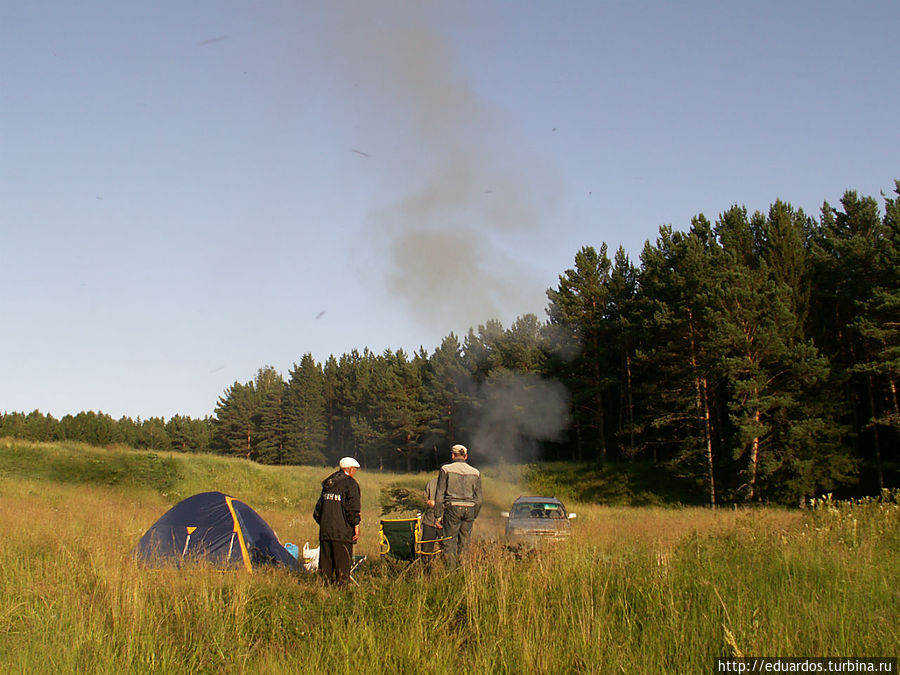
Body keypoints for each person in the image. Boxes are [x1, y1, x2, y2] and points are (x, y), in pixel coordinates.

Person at [312, 457, 361, 585]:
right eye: (355, 470)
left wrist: (324, 523)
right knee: (342, 569)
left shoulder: (328, 483)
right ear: (350, 470)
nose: (355, 472)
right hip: (342, 533)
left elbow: (317, 511)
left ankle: (323, 592)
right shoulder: (351, 484)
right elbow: (352, 509)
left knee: (325, 568)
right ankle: (341, 594)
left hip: (325, 532)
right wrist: (355, 525)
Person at [433, 444, 482, 569]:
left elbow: (439, 495)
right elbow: (479, 499)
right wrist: (473, 515)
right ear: (466, 456)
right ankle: (463, 570)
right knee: (464, 543)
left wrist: (438, 516)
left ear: (453, 455)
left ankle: (451, 573)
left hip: (452, 508)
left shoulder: (446, 469)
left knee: (449, 542)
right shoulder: (475, 472)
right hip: (470, 509)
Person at [420, 476, 440, 557]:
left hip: (446, 523)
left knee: (447, 550)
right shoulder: (431, 483)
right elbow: (422, 502)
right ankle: (425, 569)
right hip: (429, 522)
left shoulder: (453, 484)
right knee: (426, 551)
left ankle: (447, 568)